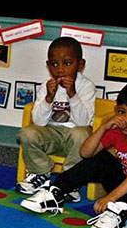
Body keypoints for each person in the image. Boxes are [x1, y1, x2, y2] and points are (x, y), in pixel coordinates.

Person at [21, 81, 127, 228]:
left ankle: (118, 214)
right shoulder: (116, 131)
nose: (126, 119)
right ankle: (56, 191)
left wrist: (112, 197)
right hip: (122, 184)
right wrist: (103, 127)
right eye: (122, 112)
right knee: (101, 158)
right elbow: (86, 153)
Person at [16, 37, 97, 196]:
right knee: (26, 133)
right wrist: (48, 99)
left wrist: (72, 94)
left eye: (67, 63)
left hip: (74, 137)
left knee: (82, 133)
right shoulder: (46, 86)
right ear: (48, 65)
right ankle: (40, 173)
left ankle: (69, 180)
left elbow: (83, 122)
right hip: (51, 133)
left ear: (80, 65)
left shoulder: (86, 86)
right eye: (54, 64)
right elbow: (38, 122)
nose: (60, 69)